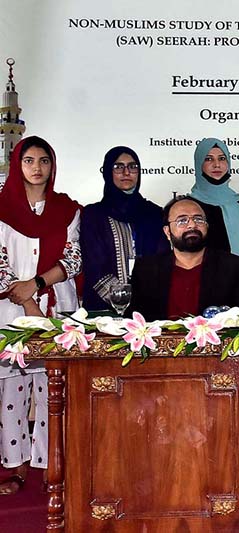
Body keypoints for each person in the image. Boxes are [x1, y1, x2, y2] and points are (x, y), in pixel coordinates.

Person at [0, 136, 81, 494]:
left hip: (56, 306)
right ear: (18, 165)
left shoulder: (68, 209)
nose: (37, 167)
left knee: (52, 389)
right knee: (12, 390)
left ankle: (52, 466)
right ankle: (16, 468)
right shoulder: (1, 207)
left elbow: (74, 258)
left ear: (52, 165)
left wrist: (36, 284)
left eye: (44, 160)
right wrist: (28, 304)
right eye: (29, 160)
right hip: (10, 309)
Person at [127, 196, 239, 320]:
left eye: (198, 219)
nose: (192, 225)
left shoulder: (232, 266)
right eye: (182, 220)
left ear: (207, 226)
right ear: (167, 232)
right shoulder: (146, 269)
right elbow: (134, 319)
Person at [80, 146, 167, 311]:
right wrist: (123, 301)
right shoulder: (93, 215)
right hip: (103, 311)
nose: (126, 172)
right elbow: (94, 265)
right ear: (107, 172)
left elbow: (162, 260)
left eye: (132, 167)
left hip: (149, 308)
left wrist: (145, 300)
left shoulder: (154, 213)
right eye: (118, 167)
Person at [190, 138, 239, 281]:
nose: (217, 164)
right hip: (204, 284)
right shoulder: (191, 206)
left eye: (222, 158)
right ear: (199, 164)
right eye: (209, 159)